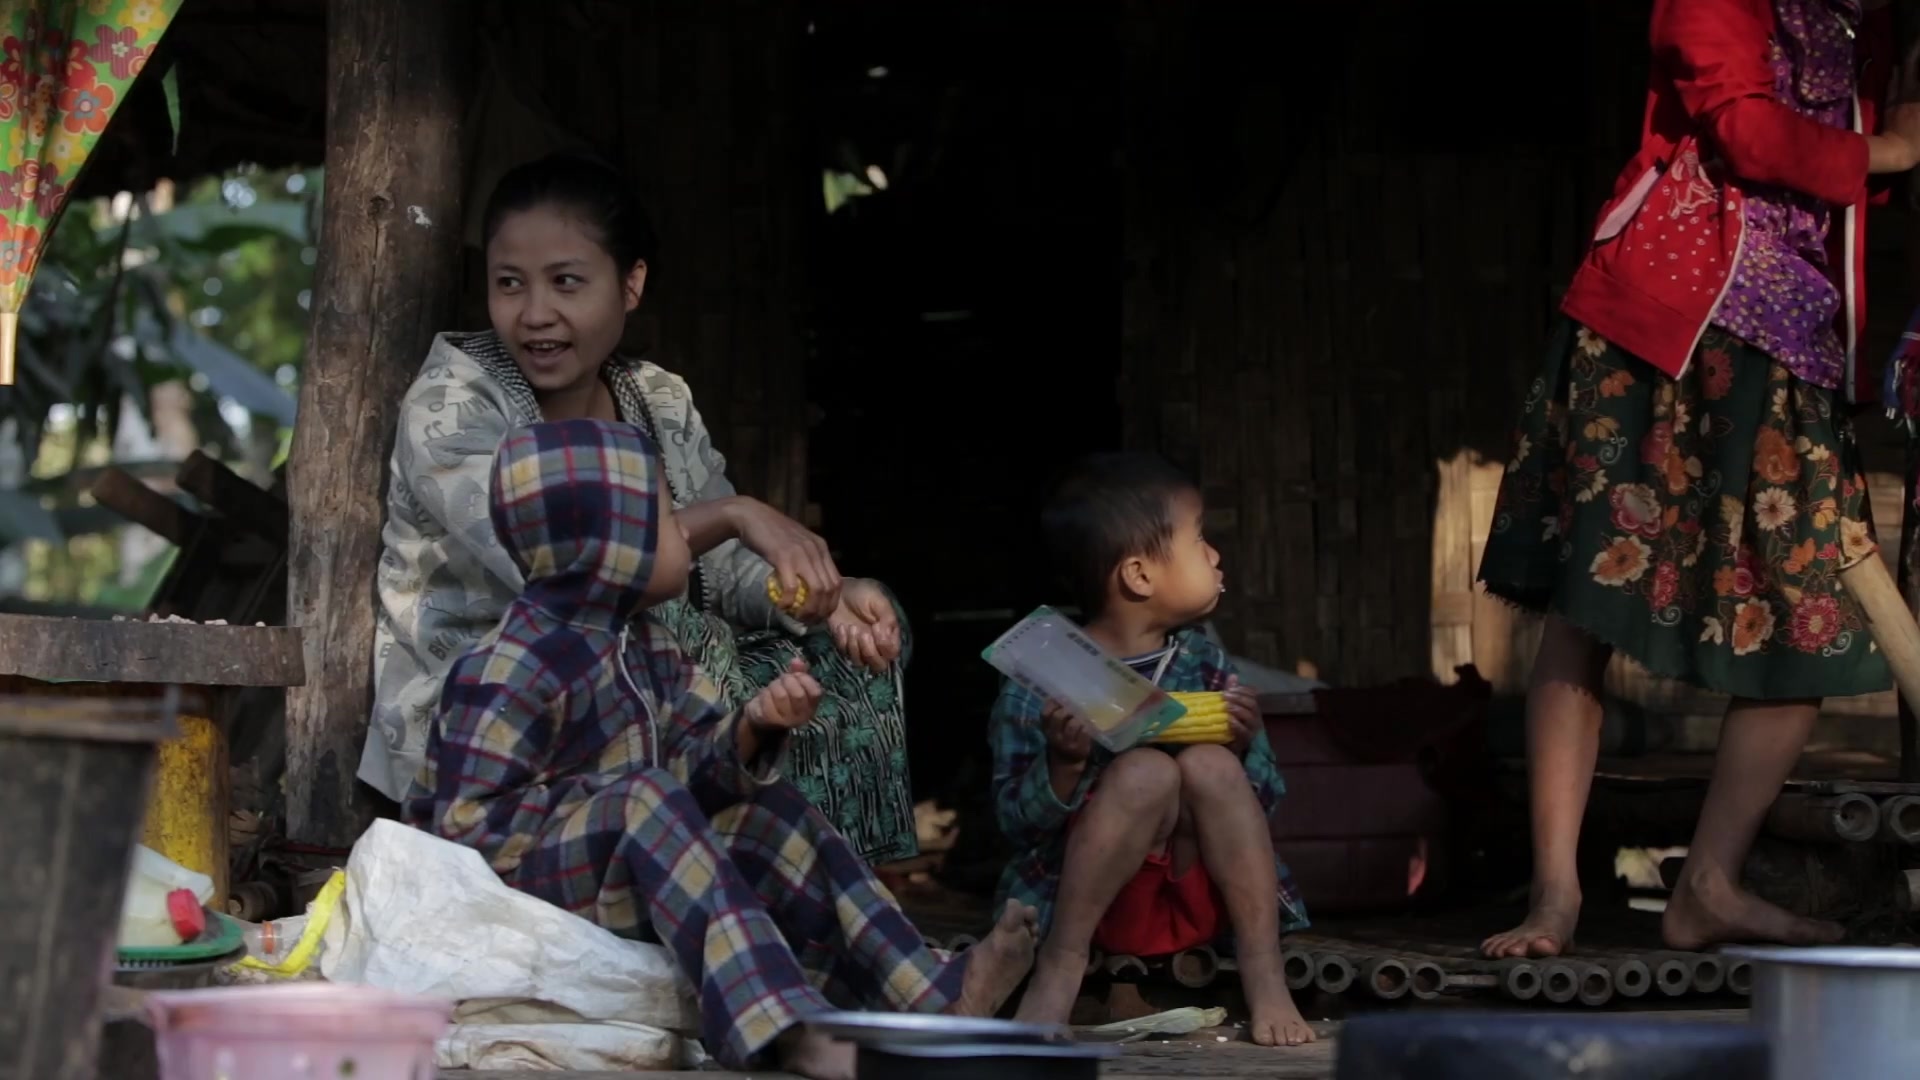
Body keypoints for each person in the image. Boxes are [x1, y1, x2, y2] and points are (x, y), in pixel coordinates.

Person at [1478, 0, 1920, 959]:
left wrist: (1884, 150)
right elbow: (1747, 133)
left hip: (1796, 340)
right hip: (1664, 318)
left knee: (1807, 616)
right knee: (1590, 599)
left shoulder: (1870, 22)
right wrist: (1890, 149)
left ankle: (1709, 884)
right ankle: (1554, 891)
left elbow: (1836, 182)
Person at [406, 417, 1036, 1080]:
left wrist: (754, 727)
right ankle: (785, 1028)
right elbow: (464, 835)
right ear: (607, 548)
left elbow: (697, 776)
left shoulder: (647, 645)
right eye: (663, 519)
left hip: (631, 866)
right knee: (647, 797)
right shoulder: (509, 665)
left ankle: (930, 993)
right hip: (510, 892)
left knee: (768, 810)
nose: (685, 530)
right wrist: (611, 805)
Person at [367, 152, 917, 865]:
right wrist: (737, 513)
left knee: (853, 645)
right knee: (684, 640)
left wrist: (819, 597)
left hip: (625, 679)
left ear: (631, 284)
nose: (535, 314)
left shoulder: (657, 399)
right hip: (486, 714)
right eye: (510, 285)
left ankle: (835, 881)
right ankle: (721, 880)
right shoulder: (454, 406)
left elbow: (721, 571)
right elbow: (571, 571)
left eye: (566, 282)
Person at [989, 452, 1314, 1046]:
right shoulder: (1044, 678)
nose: (1216, 555)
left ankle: (1263, 969)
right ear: (1138, 575)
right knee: (1143, 773)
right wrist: (1063, 764)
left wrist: (1242, 745)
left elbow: (1266, 801)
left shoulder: (1205, 662)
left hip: (1200, 897)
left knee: (1211, 763)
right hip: (1088, 904)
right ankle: (1060, 969)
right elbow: (1013, 823)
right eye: (1200, 540)